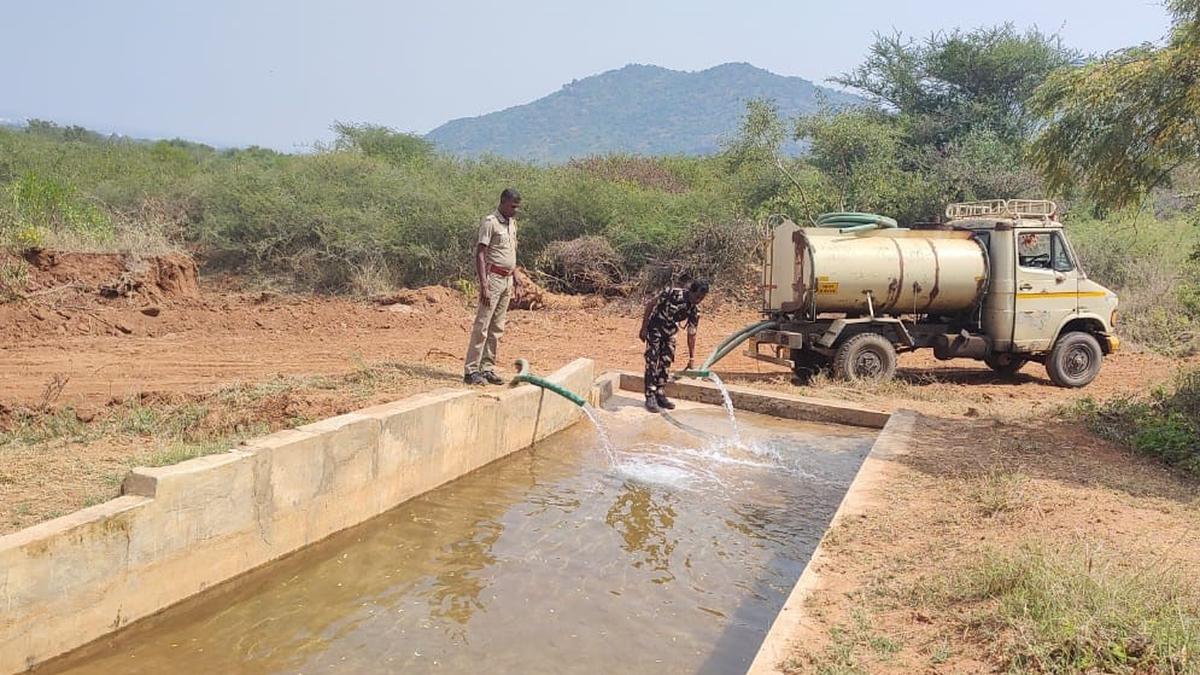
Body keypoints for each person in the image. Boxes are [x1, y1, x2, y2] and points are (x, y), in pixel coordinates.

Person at [464, 188, 521, 385]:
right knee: (482, 325)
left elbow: (510, 251)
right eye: (513, 206)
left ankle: (487, 368)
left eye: (517, 207)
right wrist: (484, 285)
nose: (515, 210)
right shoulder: (490, 222)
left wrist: (516, 277)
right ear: (503, 202)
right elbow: (480, 253)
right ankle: (471, 371)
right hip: (493, 279)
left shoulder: (512, 223)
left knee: (497, 327)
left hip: (507, 280)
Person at [638, 278, 709, 412]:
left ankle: (660, 392)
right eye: (697, 296)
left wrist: (692, 358)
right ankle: (650, 395)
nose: (698, 300)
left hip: (670, 333)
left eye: (702, 298)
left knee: (666, 362)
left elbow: (692, 333)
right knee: (652, 361)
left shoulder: (694, 310)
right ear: (691, 291)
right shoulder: (672, 293)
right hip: (655, 328)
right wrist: (644, 328)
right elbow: (650, 305)